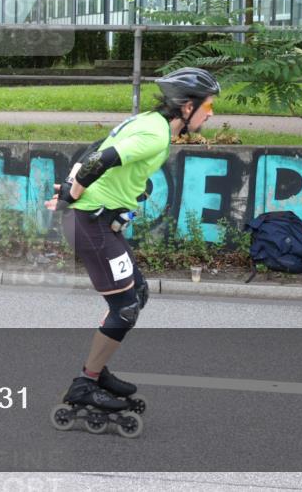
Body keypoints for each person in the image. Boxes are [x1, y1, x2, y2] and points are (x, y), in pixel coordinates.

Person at [44, 67, 221, 420]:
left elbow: (97, 147)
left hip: (100, 221)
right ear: (187, 107)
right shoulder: (155, 135)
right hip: (90, 224)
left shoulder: (151, 121)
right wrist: (71, 195)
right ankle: (86, 384)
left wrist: (75, 187)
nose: (211, 113)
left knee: (136, 294)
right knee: (125, 306)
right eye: (209, 106)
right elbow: (101, 158)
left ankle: (97, 370)